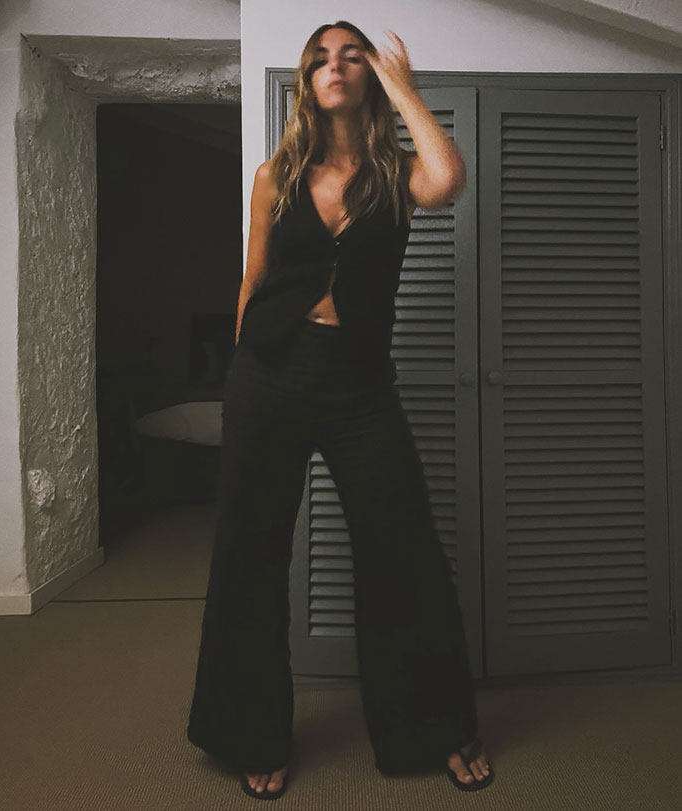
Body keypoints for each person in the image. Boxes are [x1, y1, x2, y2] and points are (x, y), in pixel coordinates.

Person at [187, 20, 494, 799]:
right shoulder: (276, 176)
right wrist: (242, 376)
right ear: (306, 79)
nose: (335, 65)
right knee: (250, 554)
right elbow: (253, 281)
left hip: (359, 383)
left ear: (369, 77)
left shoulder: (397, 177)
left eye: (351, 55)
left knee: (404, 550)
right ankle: (251, 732)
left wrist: (402, 85)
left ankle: (437, 727)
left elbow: (448, 178)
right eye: (321, 57)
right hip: (269, 375)